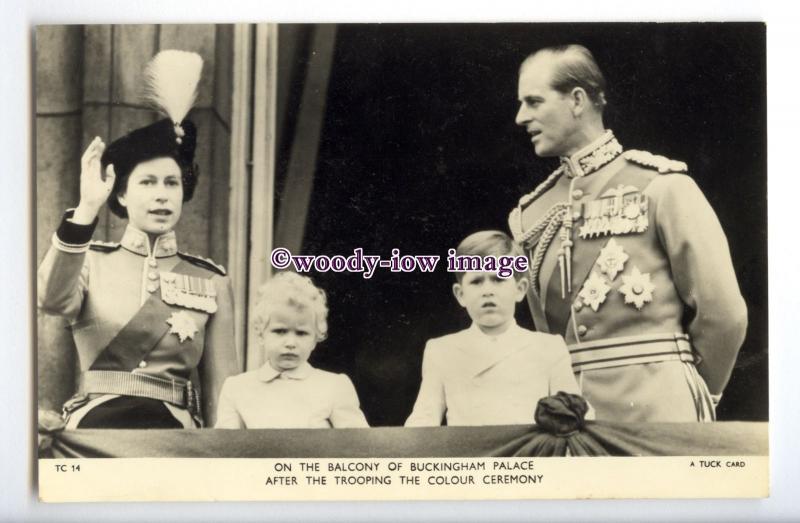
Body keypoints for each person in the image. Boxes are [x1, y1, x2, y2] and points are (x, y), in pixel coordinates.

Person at [508, 44, 747, 422]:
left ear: (576, 100)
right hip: (571, 423)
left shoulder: (662, 186)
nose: (521, 117)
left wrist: (696, 394)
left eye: (534, 102)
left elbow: (724, 316)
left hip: (659, 411)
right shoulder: (530, 214)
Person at [37, 50, 238, 428]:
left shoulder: (212, 281)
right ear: (122, 194)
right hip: (95, 434)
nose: (162, 195)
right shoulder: (91, 261)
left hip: (176, 440)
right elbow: (48, 299)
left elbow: (224, 395)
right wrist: (85, 211)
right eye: (147, 182)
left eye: (172, 183)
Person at [405, 231, 585, 427]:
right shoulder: (442, 350)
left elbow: (573, 415)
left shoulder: (548, 347)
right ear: (460, 294)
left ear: (520, 289)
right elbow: (424, 418)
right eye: (476, 281)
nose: (487, 290)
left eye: (499, 279)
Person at [215, 272, 369, 429]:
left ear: (316, 338)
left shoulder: (334, 386)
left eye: (302, 333)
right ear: (261, 334)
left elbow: (357, 446)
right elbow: (224, 448)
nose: (290, 343)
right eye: (280, 331)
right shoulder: (237, 388)